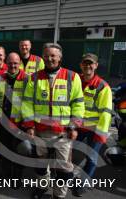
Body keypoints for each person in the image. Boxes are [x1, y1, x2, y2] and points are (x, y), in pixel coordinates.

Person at [21, 43, 84, 199]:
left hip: (63, 132)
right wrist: (29, 125)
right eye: (47, 55)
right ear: (43, 57)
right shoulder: (34, 78)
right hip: (40, 131)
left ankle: (59, 195)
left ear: (60, 57)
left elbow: (78, 103)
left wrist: (74, 126)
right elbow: (27, 103)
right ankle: (42, 188)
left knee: (64, 168)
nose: (50, 59)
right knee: (41, 165)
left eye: (53, 56)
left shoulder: (72, 77)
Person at [72, 53, 112, 197]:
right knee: (66, 151)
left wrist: (100, 135)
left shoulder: (102, 86)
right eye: (85, 63)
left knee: (91, 157)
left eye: (91, 63)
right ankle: (69, 177)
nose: (88, 66)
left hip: (94, 129)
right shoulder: (75, 80)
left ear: (96, 65)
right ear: (80, 65)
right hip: (77, 126)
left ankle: (84, 183)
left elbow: (106, 113)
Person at [0, 52, 27, 186]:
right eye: (11, 63)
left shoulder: (27, 79)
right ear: (7, 63)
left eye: (16, 63)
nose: (13, 65)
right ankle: (5, 174)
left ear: (20, 64)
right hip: (3, 121)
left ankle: (17, 177)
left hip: (19, 123)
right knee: (5, 150)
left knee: (19, 151)